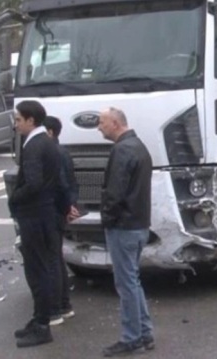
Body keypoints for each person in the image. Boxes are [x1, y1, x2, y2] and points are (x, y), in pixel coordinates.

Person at [97, 107, 155, 357]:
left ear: (115, 123)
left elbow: (115, 192)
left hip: (124, 226)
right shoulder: (139, 146)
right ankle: (144, 332)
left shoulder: (121, 150)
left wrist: (106, 218)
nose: (98, 127)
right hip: (139, 223)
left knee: (126, 284)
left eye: (101, 122)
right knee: (132, 281)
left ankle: (132, 338)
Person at [9, 100, 62, 348]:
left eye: (18, 119)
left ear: (31, 120)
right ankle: (39, 318)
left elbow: (33, 183)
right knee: (42, 267)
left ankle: (42, 324)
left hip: (34, 215)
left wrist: (14, 198)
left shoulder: (34, 145)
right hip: (45, 213)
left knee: (37, 270)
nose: (16, 124)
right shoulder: (48, 142)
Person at [43, 116, 79, 326]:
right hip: (60, 210)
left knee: (52, 260)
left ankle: (56, 307)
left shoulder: (52, 153)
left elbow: (63, 183)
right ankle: (64, 304)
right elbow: (70, 183)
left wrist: (66, 206)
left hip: (53, 211)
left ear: (49, 132)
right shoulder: (62, 151)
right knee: (56, 257)